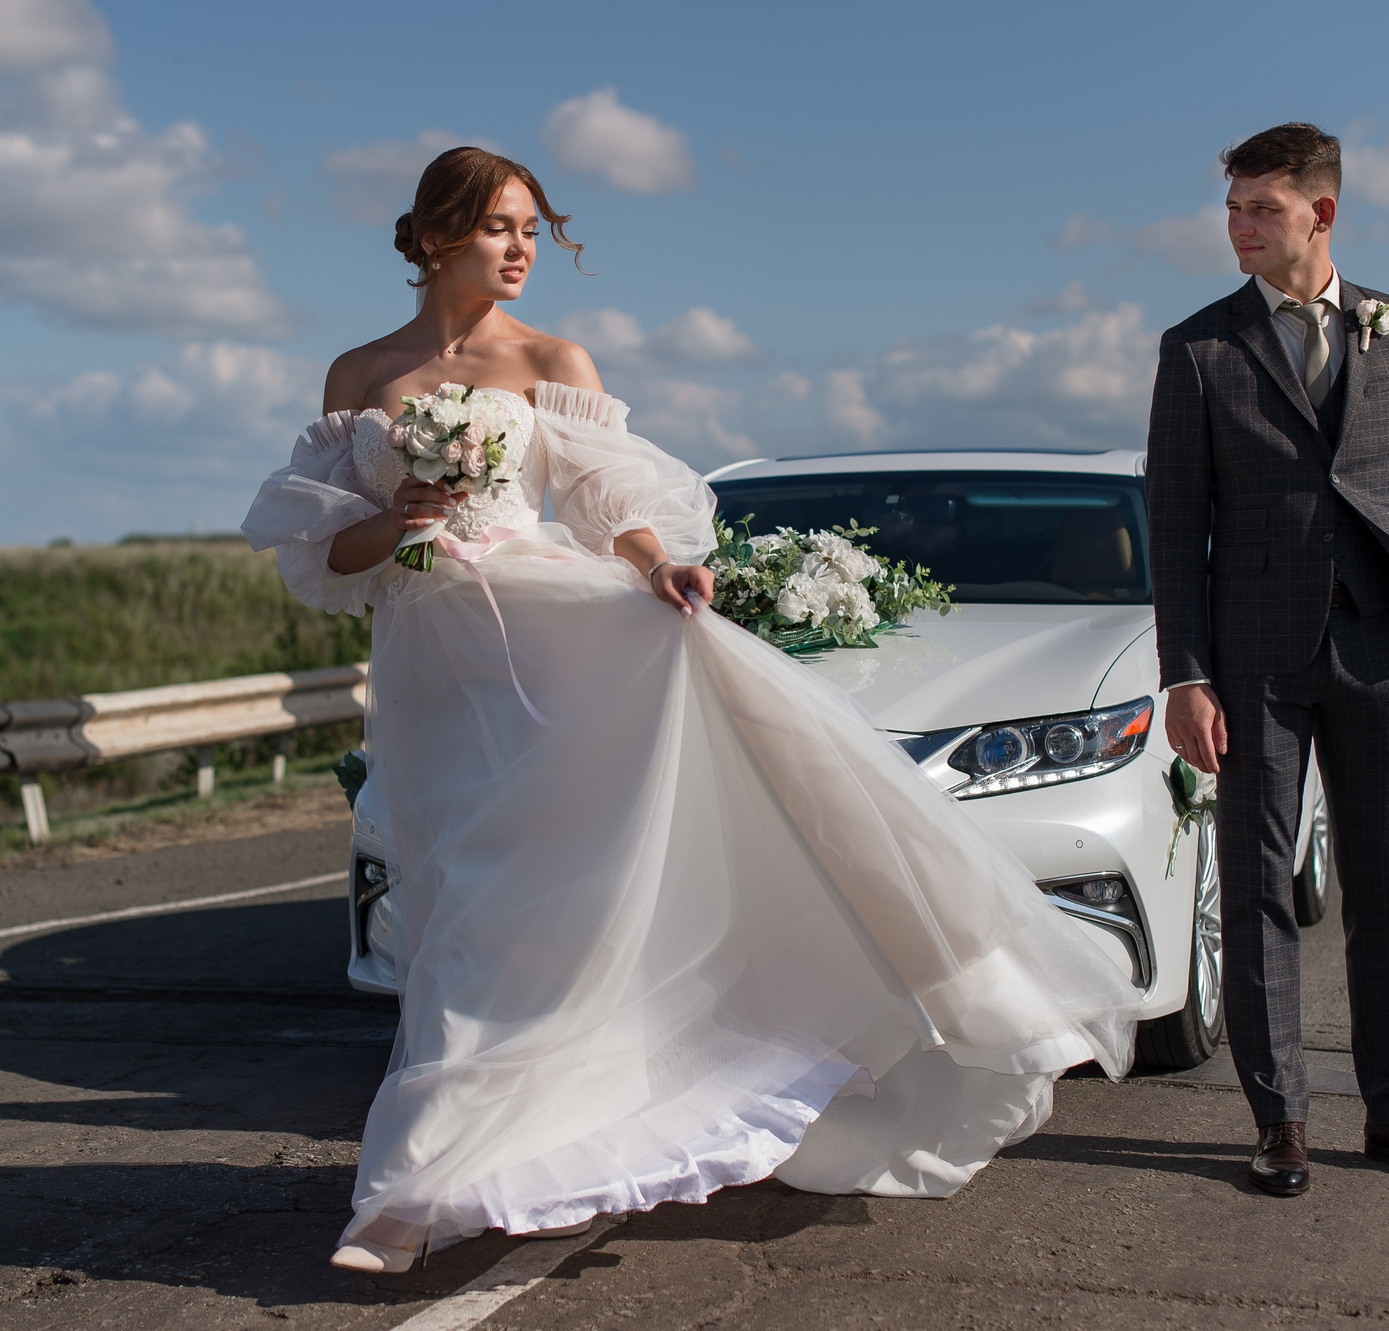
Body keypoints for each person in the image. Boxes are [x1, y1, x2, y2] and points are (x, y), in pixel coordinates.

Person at [242, 147, 1141, 1272]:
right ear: (430, 236)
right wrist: (409, 510)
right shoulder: (358, 371)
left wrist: (657, 564)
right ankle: (494, 1151)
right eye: (498, 229)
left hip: (551, 640)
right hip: (429, 658)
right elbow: (327, 546)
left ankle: (423, 1178)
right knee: (454, 897)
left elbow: (609, 499)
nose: (522, 248)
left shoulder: (549, 357)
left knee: (536, 897)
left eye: (532, 228)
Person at [1146, 123, 1389, 1196]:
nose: (1237, 227)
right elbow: (1174, 524)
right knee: (1253, 891)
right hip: (1251, 661)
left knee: (1383, 888)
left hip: (1384, 647)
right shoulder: (1197, 348)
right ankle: (1278, 1120)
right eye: (1231, 209)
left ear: (1319, 214)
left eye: (1259, 209)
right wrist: (1184, 672)